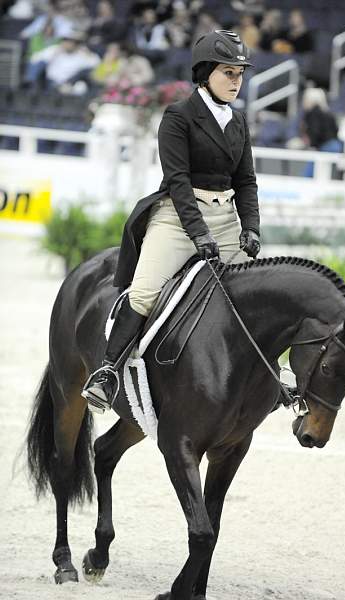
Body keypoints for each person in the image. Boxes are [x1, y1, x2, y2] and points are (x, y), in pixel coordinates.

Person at [82, 30, 261, 413]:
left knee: (255, 294)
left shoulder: (239, 121)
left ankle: (263, 375)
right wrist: (198, 233)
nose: (236, 81)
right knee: (145, 292)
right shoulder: (179, 116)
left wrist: (251, 227)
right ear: (205, 73)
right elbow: (177, 181)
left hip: (226, 218)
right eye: (228, 73)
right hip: (178, 218)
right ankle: (108, 372)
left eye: (239, 74)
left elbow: (246, 180)